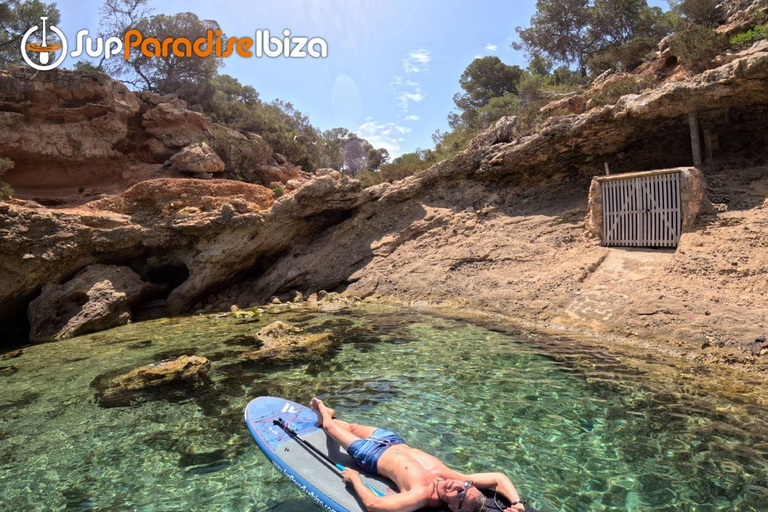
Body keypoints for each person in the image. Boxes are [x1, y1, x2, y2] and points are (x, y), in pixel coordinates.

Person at [310, 397, 528, 512]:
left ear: (453, 507)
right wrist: (517, 503)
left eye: (460, 495)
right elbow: (498, 478)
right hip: (392, 440)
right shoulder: (458, 479)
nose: (458, 486)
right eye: (467, 487)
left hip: (370, 454)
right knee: (351, 425)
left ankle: (324, 415)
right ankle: (327, 418)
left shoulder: (421, 495)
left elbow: (374, 505)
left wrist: (355, 480)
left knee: (331, 429)